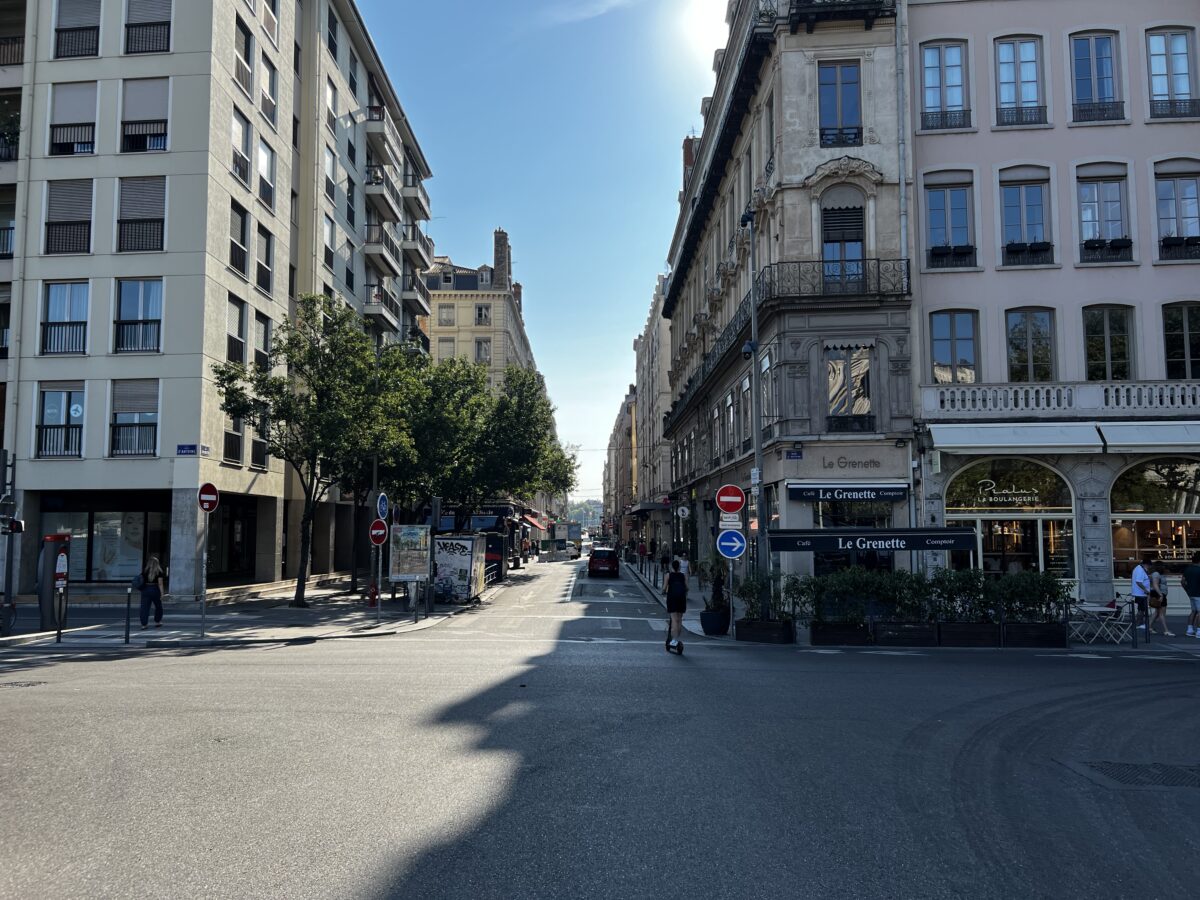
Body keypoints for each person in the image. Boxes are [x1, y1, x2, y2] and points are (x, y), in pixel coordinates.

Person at [663, 559, 688, 651]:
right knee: (679, 619)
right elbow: (687, 587)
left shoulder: (668, 575)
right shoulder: (683, 575)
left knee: (674, 619)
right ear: (679, 567)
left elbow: (664, 588)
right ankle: (677, 639)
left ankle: (674, 640)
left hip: (672, 598)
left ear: (672, 567)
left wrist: (663, 592)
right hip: (681, 598)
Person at [137, 556, 166, 629]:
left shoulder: (145, 571)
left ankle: (144, 624)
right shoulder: (159, 571)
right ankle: (157, 621)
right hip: (155, 589)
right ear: (157, 563)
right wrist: (162, 594)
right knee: (158, 606)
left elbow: (141, 580)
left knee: (144, 608)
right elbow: (160, 584)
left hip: (146, 589)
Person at [1149, 559, 1174, 637]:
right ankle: (1166, 630)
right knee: (1161, 613)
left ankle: (1149, 627)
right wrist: (1160, 594)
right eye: (1163, 566)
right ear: (1160, 566)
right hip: (1159, 594)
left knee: (1157, 612)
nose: (1164, 567)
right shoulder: (1156, 574)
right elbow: (1155, 585)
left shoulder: (1158, 574)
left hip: (1159, 594)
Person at [1130, 553, 1152, 631]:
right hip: (1141, 594)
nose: (1149, 568)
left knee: (1141, 609)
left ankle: (1139, 623)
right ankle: (1138, 624)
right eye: (1149, 566)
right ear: (1146, 564)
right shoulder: (1140, 570)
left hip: (1139, 593)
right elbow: (1138, 582)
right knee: (1142, 609)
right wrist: (1146, 590)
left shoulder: (1139, 568)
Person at [1183, 551, 1200, 638]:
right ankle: (1199, 631)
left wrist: (1187, 590)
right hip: (1199, 594)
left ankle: (1189, 630)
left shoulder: (1187, 569)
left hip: (1191, 593)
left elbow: (1182, 581)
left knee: (1193, 611)